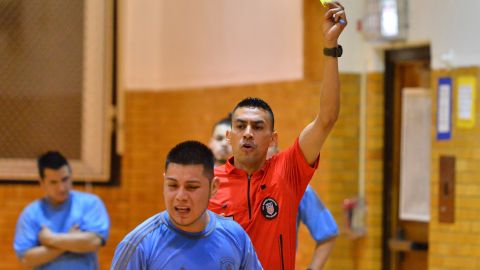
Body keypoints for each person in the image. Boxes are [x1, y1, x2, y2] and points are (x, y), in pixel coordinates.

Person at [208, 2, 347, 269]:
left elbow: (327, 118)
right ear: (230, 135)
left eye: (258, 127)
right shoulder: (209, 182)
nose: (248, 133)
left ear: (272, 139)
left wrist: (331, 49)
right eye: (241, 126)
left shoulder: (288, 171)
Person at [111, 141, 262, 270]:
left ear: (214, 187)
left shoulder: (235, 235)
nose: (180, 196)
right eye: (172, 185)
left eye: (192, 187)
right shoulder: (138, 245)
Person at [13, 151, 110, 269]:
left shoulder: (90, 203)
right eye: (53, 182)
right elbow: (26, 258)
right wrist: (70, 241)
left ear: (71, 176)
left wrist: (51, 239)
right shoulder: (31, 213)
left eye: (65, 179)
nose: (61, 188)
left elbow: (94, 242)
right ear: (42, 183)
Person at [268, 145, 338, 270]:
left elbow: (328, 233)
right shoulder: (230, 188)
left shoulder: (298, 189)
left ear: (277, 152)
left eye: (267, 146)